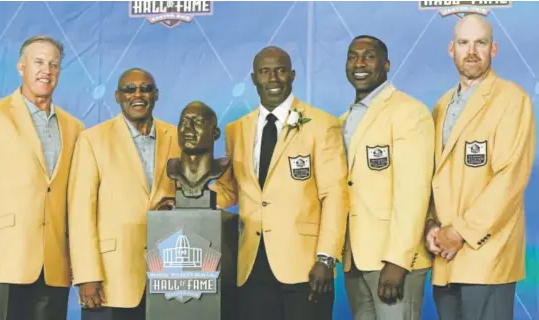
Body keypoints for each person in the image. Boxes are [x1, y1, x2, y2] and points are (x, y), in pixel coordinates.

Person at [210, 46, 349, 320]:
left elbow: (335, 195)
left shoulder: (322, 124)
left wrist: (326, 258)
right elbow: (229, 190)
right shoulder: (236, 130)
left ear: (292, 75)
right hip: (251, 265)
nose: (273, 78)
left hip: (306, 264)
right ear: (254, 79)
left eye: (280, 70)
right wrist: (188, 203)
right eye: (265, 72)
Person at [0, 35, 84, 320]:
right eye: (38, 62)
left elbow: (75, 197)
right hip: (4, 257)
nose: (46, 70)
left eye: (53, 65)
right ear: (21, 67)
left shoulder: (75, 127)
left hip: (56, 261)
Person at [424, 14, 535, 320]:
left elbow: (510, 179)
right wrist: (432, 226)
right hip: (444, 257)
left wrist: (460, 231)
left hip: (487, 255)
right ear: (451, 49)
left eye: (480, 43)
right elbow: (434, 177)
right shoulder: (442, 105)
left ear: (494, 49)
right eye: (463, 43)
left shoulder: (512, 99)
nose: (471, 51)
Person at [67, 68, 181, 319]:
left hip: (170, 275)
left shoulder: (178, 136)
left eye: (145, 88)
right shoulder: (92, 139)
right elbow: (80, 214)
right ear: (118, 96)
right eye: (129, 89)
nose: (137, 94)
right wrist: (87, 275)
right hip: (111, 279)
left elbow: (204, 192)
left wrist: (181, 204)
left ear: (156, 94)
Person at [339, 35, 435, 320]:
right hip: (354, 260)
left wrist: (398, 260)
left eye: (369, 56)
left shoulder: (408, 111)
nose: (359, 63)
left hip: (391, 262)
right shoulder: (343, 120)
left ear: (387, 64)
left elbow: (414, 192)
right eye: (352, 56)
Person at [167, 100, 230, 198]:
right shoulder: (172, 168)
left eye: (198, 121)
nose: (188, 126)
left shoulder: (222, 167)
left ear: (215, 134)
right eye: (184, 121)